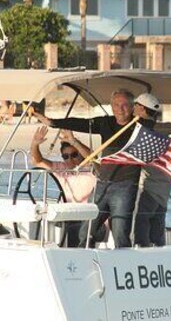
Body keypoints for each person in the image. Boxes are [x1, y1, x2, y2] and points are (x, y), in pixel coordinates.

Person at [33, 89, 147, 248]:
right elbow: (79, 123)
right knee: (86, 231)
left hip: (125, 186)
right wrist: (52, 123)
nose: (120, 109)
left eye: (125, 105)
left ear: (132, 106)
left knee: (120, 232)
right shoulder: (105, 123)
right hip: (102, 184)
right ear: (111, 106)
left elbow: (161, 128)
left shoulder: (140, 126)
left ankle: (123, 264)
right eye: (116, 105)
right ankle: (84, 258)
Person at [130, 93, 171, 246]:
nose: (133, 108)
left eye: (135, 105)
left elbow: (154, 126)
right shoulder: (160, 135)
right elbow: (159, 127)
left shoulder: (146, 130)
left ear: (141, 108)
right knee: (157, 232)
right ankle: (159, 258)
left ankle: (143, 258)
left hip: (148, 190)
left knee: (141, 231)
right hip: (163, 191)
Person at [30, 126, 96, 247]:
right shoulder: (61, 168)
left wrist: (75, 142)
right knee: (35, 217)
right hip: (66, 214)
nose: (70, 159)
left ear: (80, 154)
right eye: (66, 156)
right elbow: (37, 161)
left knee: (74, 227)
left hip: (87, 216)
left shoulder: (91, 168)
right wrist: (34, 144)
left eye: (74, 154)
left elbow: (94, 158)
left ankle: (72, 259)